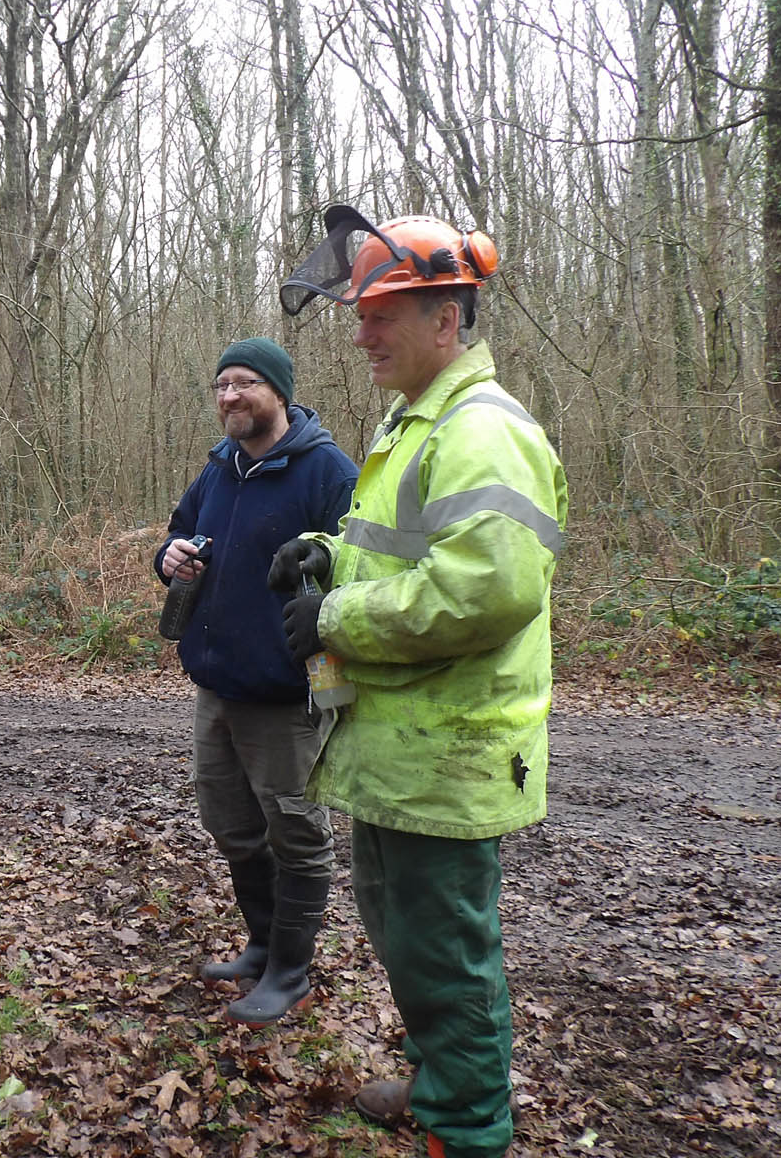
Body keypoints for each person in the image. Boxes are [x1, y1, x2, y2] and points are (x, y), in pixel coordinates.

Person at [272, 210, 568, 1158]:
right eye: (360, 314)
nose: (360, 334)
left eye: (382, 315)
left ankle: (468, 1131)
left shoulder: (484, 430)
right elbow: (398, 556)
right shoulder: (416, 420)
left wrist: (332, 620)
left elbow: (486, 590)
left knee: (446, 954)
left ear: (448, 320)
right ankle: (445, 1082)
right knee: (408, 942)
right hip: (399, 750)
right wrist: (320, 553)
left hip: (449, 754)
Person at [153, 337, 358, 1026]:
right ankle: (263, 947)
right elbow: (180, 533)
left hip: (289, 694)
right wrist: (169, 556)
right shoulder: (219, 468)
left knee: (295, 831)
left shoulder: (326, 470)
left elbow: (361, 566)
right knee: (233, 827)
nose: (230, 396)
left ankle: (292, 973)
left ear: (279, 392)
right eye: (221, 385)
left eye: (245, 383)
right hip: (217, 686)